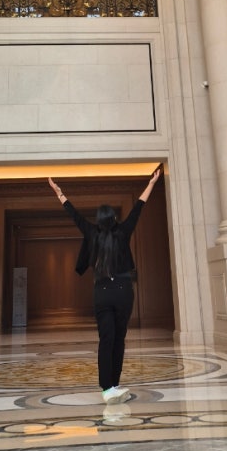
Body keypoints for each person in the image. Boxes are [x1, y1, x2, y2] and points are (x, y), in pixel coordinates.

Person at [47, 167, 162, 404]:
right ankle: (114, 384)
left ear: (99, 221)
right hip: (123, 291)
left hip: (101, 292)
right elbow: (139, 207)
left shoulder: (92, 233)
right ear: (114, 219)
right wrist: (151, 183)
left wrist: (59, 193)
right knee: (119, 339)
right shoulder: (123, 232)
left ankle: (107, 388)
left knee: (106, 339)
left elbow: (74, 215)